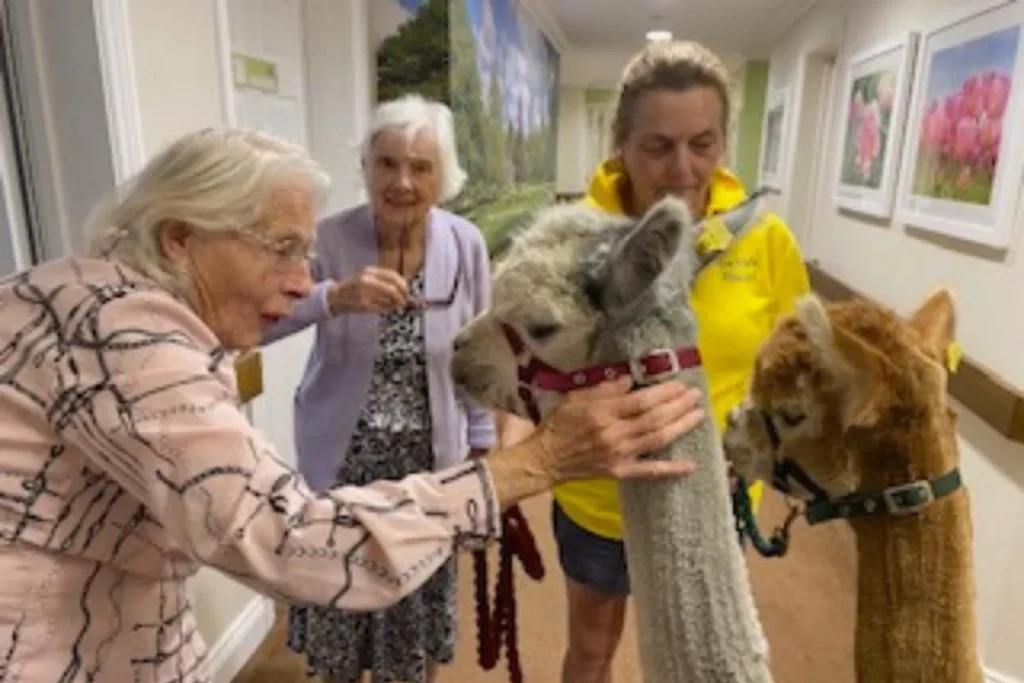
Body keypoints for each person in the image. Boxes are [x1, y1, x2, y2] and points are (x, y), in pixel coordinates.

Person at [0, 126, 707, 683]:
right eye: (280, 249)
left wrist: (490, 444)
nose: (300, 279)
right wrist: (542, 460)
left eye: (306, 255)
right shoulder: (128, 338)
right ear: (180, 238)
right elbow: (290, 542)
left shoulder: (81, 292)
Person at [500, 39, 812, 683]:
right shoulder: (575, 239)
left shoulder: (764, 240)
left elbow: (793, 370)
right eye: (657, 146)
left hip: (709, 500)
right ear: (620, 143)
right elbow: (524, 365)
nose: (682, 168)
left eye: (702, 143)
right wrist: (512, 469)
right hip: (599, 496)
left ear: (724, 143)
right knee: (592, 649)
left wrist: (762, 449)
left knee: (693, 652)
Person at [262, 94, 492, 682]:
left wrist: (483, 443)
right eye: (386, 164)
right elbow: (262, 320)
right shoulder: (327, 240)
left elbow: (479, 349)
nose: (402, 182)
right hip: (342, 465)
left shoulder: (465, 244)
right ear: (364, 167)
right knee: (339, 610)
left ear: (446, 176)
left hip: (430, 468)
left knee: (415, 613)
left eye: (421, 167)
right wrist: (332, 298)